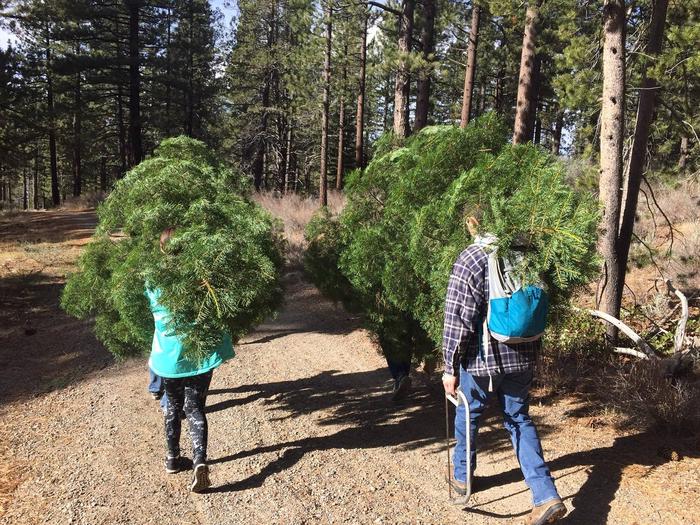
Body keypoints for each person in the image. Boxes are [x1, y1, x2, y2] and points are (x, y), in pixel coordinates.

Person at [441, 217, 566, 525]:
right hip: (523, 353)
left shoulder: (473, 255)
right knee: (519, 418)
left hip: (483, 358)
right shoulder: (528, 249)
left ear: (474, 222)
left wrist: (449, 366)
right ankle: (545, 495)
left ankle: (462, 480)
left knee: (468, 414)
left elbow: (458, 317)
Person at [148, 227, 234, 492]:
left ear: (162, 249)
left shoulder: (152, 278)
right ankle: (199, 461)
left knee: (173, 407)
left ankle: (172, 458)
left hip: (168, 357)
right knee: (195, 407)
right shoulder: (201, 277)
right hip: (198, 356)